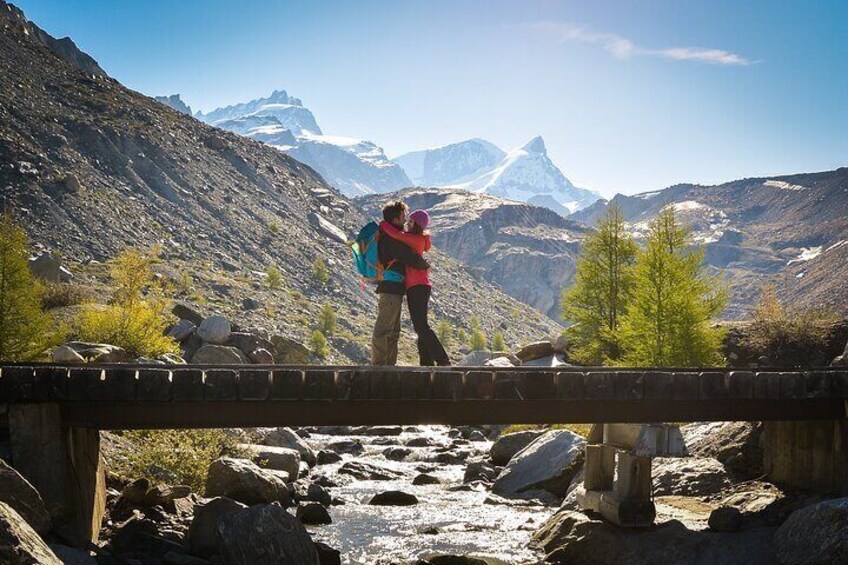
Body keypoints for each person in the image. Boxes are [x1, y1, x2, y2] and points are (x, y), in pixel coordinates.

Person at [380, 209, 451, 366]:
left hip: (417, 286)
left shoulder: (415, 239)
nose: (407, 223)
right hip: (418, 286)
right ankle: (426, 363)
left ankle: (442, 359)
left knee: (421, 326)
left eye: (411, 221)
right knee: (420, 326)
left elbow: (397, 235)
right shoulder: (417, 239)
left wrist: (383, 224)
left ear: (417, 225)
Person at [372, 200, 430, 365]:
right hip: (391, 288)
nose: (405, 221)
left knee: (393, 330)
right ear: (395, 219)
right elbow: (410, 258)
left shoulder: (389, 236)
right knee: (385, 329)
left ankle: (388, 365)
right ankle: (379, 366)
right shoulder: (391, 239)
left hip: (394, 288)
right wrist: (425, 265)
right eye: (403, 217)